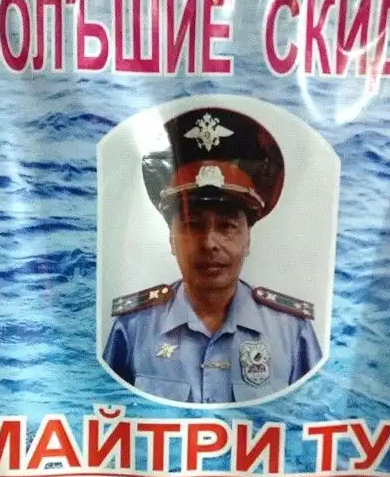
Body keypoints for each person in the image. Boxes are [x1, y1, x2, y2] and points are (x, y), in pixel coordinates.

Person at [103, 107, 322, 403]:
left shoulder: (292, 332)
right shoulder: (133, 329)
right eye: (192, 225)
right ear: (171, 239)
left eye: (227, 226)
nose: (209, 243)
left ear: (248, 239)